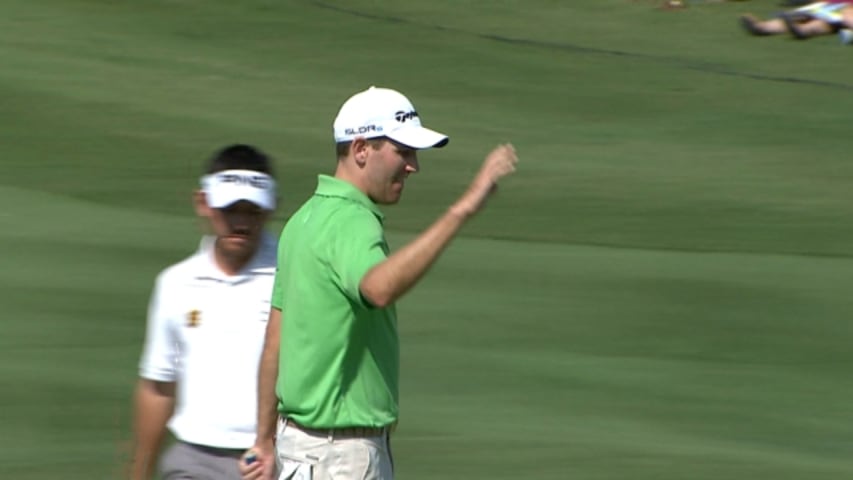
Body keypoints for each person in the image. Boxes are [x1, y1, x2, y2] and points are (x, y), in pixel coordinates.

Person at [239, 86, 518, 480]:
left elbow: (276, 343)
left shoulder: (303, 220)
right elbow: (379, 287)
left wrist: (264, 439)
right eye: (403, 151)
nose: (413, 166)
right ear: (360, 150)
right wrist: (464, 208)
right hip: (343, 459)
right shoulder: (352, 221)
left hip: (298, 450)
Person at [130, 144, 280, 480]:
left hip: (271, 460)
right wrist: (138, 473)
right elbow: (158, 386)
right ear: (203, 203)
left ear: (271, 209)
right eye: (230, 209)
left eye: (252, 211)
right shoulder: (176, 283)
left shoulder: (295, 275)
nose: (241, 222)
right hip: (193, 459)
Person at [739, 0, 853, 41]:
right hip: (835, 3)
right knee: (805, 15)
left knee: (826, 22)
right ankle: (763, 27)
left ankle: (803, 30)